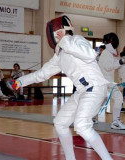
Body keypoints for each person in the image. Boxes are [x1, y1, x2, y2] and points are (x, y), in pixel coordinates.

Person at [12, 15, 112, 160]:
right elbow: (43, 73)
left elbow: (90, 54)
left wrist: (65, 40)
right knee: (60, 122)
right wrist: (21, 81)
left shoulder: (77, 40)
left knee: (82, 125)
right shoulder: (60, 54)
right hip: (82, 91)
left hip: (95, 87)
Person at [98, 32, 125, 130]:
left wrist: (119, 61)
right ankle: (115, 121)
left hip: (104, 82)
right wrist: (120, 62)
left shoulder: (107, 53)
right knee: (119, 98)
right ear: (110, 42)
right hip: (107, 82)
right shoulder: (106, 53)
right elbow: (109, 67)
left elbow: (111, 64)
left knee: (100, 101)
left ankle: (92, 118)